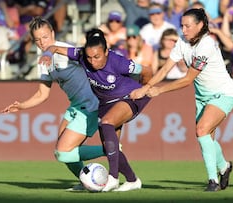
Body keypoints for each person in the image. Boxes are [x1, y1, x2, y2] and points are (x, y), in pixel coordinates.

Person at [130, 8, 233, 192]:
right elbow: (164, 70)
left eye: (188, 26)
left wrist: (159, 90)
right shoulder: (182, 42)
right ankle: (224, 167)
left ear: (200, 25)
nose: (184, 30)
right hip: (202, 96)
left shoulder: (206, 45)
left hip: (223, 93)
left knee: (201, 130)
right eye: (182, 26)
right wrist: (145, 88)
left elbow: (188, 79)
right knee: (207, 137)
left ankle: (213, 181)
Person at [39, 28, 153, 192]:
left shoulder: (118, 62)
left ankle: (112, 178)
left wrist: (144, 89)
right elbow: (54, 48)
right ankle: (132, 180)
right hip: (106, 104)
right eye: (89, 57)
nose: (92, 62)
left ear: (106, 51)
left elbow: (147, 70)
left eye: (97, 57)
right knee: (110, 146)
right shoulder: (81, 55)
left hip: (130, 97)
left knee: (107, 123)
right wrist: (48, 55)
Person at [0, 17, 105, 191]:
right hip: (75, 106)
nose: (42, 43)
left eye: (45, 37)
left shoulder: (68, 51)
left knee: (63, 152)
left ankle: (109, 149)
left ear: (53, 34)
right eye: (37, 39)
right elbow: (42, 94)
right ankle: (85, 181)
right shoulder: (44, 61)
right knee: (62, 150)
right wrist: (22, 106)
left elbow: (96, 62)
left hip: (91, 106)